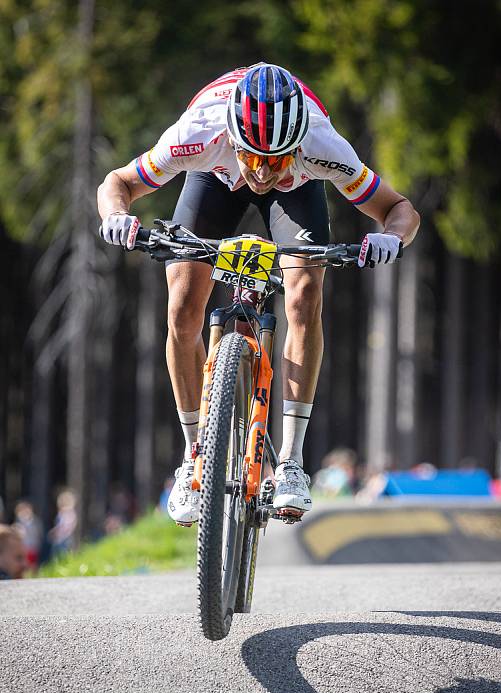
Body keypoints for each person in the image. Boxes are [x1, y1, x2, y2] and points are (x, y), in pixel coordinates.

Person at [98, 63, 420, 526]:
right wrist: (118, 216)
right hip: (214, 180)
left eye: (277, 159)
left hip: (300, 191)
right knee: (183, 305)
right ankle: (194, 455)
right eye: (254, 158)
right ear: (232, 136)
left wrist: (392, 238)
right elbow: (119, 183)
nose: (264, 172)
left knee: (304, 293)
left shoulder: (321, 146)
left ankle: (290, 461)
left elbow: (399, 210)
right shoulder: (198, 133)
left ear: (297, 144)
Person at [14, 500, 44, 571]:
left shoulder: (35, 521)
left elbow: (38, 533)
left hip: (33, 546)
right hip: (25, 546)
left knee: (33, 563)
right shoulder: (19, 522)